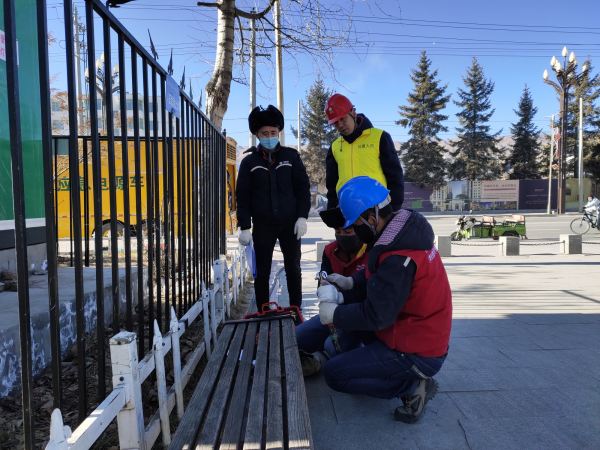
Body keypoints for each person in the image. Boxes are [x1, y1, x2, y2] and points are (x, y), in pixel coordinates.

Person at [315, 176, 452, 424]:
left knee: (335, 374)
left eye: (355, 224)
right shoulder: (399, 234)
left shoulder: (400, 257)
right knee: (340, 345)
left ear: (372, 217)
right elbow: (378, 281)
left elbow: (376, 315)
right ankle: (381, 367)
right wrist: (349, 285)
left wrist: (334, 313)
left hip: (418, 350)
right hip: (409, 330)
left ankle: (411, 387)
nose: (354, 231)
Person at [236, 105, 311, 311]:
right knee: (262, 271)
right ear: (257, 135)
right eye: (264, 133)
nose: (269, 136)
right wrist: (244, 226)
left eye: (273, 132)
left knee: (293, 268)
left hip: (290, 224)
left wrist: (302, 217)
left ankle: (296, 309)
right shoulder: (249, 162)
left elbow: (303, 188)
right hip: (263, 226)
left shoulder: (291, 157)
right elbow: (243, 196)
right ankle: (263, 310)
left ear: (278, 132)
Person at [296, 207, 368, 369]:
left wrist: (342, 296)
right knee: (297, 337)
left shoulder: (371, 251)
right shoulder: (330, 251)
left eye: (348, 231)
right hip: (332, 315)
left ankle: (323, 357)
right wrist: (323, 288)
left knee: (332, 346)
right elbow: (324, 275)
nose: (342, 236)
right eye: (338, 232)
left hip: (360, 317)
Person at [324, 93, 404, 211]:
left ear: (353, 113)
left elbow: (395, 176)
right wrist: (332, 209)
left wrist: (393, 208)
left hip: (377, 211)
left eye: (343, 119)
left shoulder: (380, 137)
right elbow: (331, 185)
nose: (340, 125)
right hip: (347, 212)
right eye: (335, 122)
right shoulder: (335, 147)